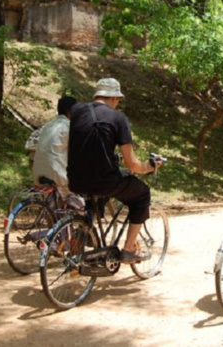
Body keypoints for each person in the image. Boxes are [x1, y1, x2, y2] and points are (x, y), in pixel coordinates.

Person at [67, 78, 163, 264]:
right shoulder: (118, 118)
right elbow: (132, 164)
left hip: (75, 179)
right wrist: (150, 166)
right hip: (104, 181)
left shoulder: (77, 112)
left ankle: (85, 236)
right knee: (142, 194)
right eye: (118, 99)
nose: (117, 103)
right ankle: (129, 249)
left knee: (96, 193)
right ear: (113, 98)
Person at [32, 95, 84, 209]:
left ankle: (56, 221)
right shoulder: (69, 127)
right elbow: (78, 152)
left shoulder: (48, 125)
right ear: (71, 111)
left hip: (38, 173)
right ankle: (78, 221)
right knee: (80, 204)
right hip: (56, 175)